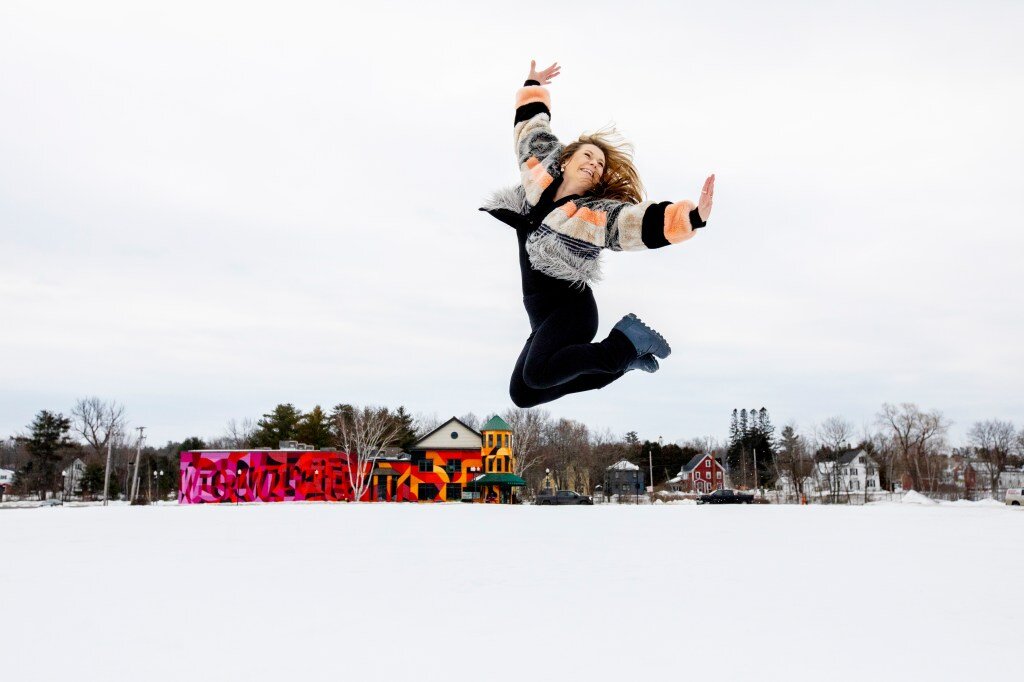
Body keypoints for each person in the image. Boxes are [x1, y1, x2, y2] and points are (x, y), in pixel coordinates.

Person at [481, 60, 715, 408]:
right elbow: (530, 131)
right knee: (524, 394)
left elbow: (633, 223)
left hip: (572, 312)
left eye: (600, 164)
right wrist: (532, 84)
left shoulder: (592, 214)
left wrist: (691, 217)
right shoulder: (537, 179)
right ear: (566, 159)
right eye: (588, 156)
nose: (594, 163)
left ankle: (626, 341)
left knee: (538, 375)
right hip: (543, 318)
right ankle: (624, 359)